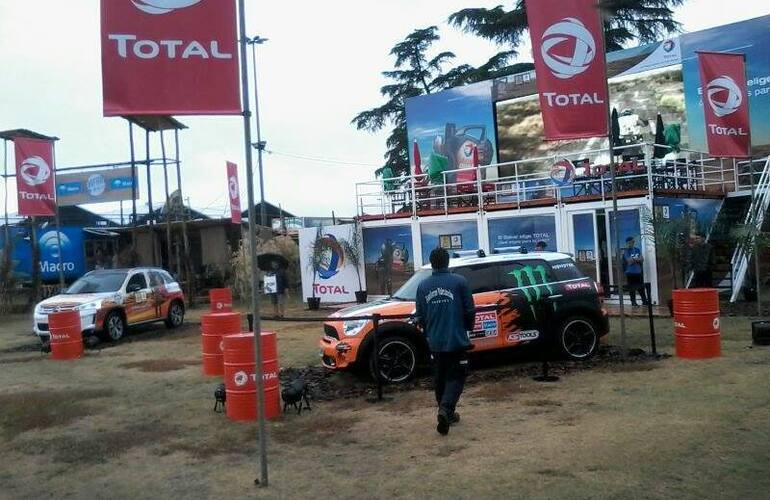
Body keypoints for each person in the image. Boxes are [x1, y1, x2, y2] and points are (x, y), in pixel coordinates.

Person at [415, 247, 475, 436]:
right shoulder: (460, 282)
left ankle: (446, 413)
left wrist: (428, 330)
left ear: (432, 263)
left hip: (435, 341)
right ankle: (446, 409)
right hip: (456, 339)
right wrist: (468, 327)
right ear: (447, 262)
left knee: (440, 378)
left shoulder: (422, 286)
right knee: (456, 377)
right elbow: (470, 310)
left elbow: (420, 315)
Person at [622, 236, 648, 306]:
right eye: (630, 242)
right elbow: (629, 261)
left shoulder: (637, 250)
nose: (632, 243)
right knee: (632, 288)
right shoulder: (626, 251)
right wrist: (637, 259)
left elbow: (642, 259)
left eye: (633, 242)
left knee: (641, 287)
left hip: (638, 272)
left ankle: (644, 301)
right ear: (627, 243)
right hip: (630, 272)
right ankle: (633, 302)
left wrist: (634, 259)